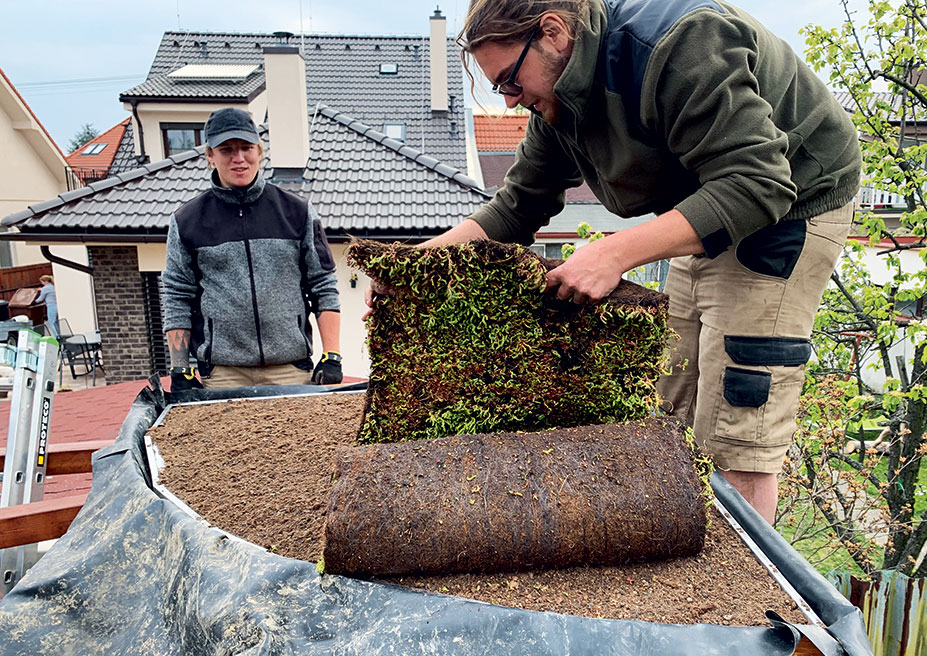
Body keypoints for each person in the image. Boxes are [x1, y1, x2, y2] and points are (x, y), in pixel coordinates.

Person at [367, 0, 861, 523]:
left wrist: (611, 254)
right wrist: (411, 267)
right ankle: (675, 541)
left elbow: (758, 183)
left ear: (553, 33)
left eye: (511, 81)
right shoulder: (557, 100)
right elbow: (517, 205)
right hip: (708, 197)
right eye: (500, 90)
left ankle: (740, 594)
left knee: (738, 428)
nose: (511, 102)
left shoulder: (682, 45)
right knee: (669, 394)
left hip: (787, 205)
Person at [162, 107, 344, 390]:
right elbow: (176, 295)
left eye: (247, 148)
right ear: (210, 156)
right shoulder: (187, 221)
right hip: (222, 376)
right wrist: (179, 368)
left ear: (260, 151)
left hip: (291, 370)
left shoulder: (297, 212)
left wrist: (332, 354)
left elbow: (323, 284)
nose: (239, 158)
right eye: (226, 150)